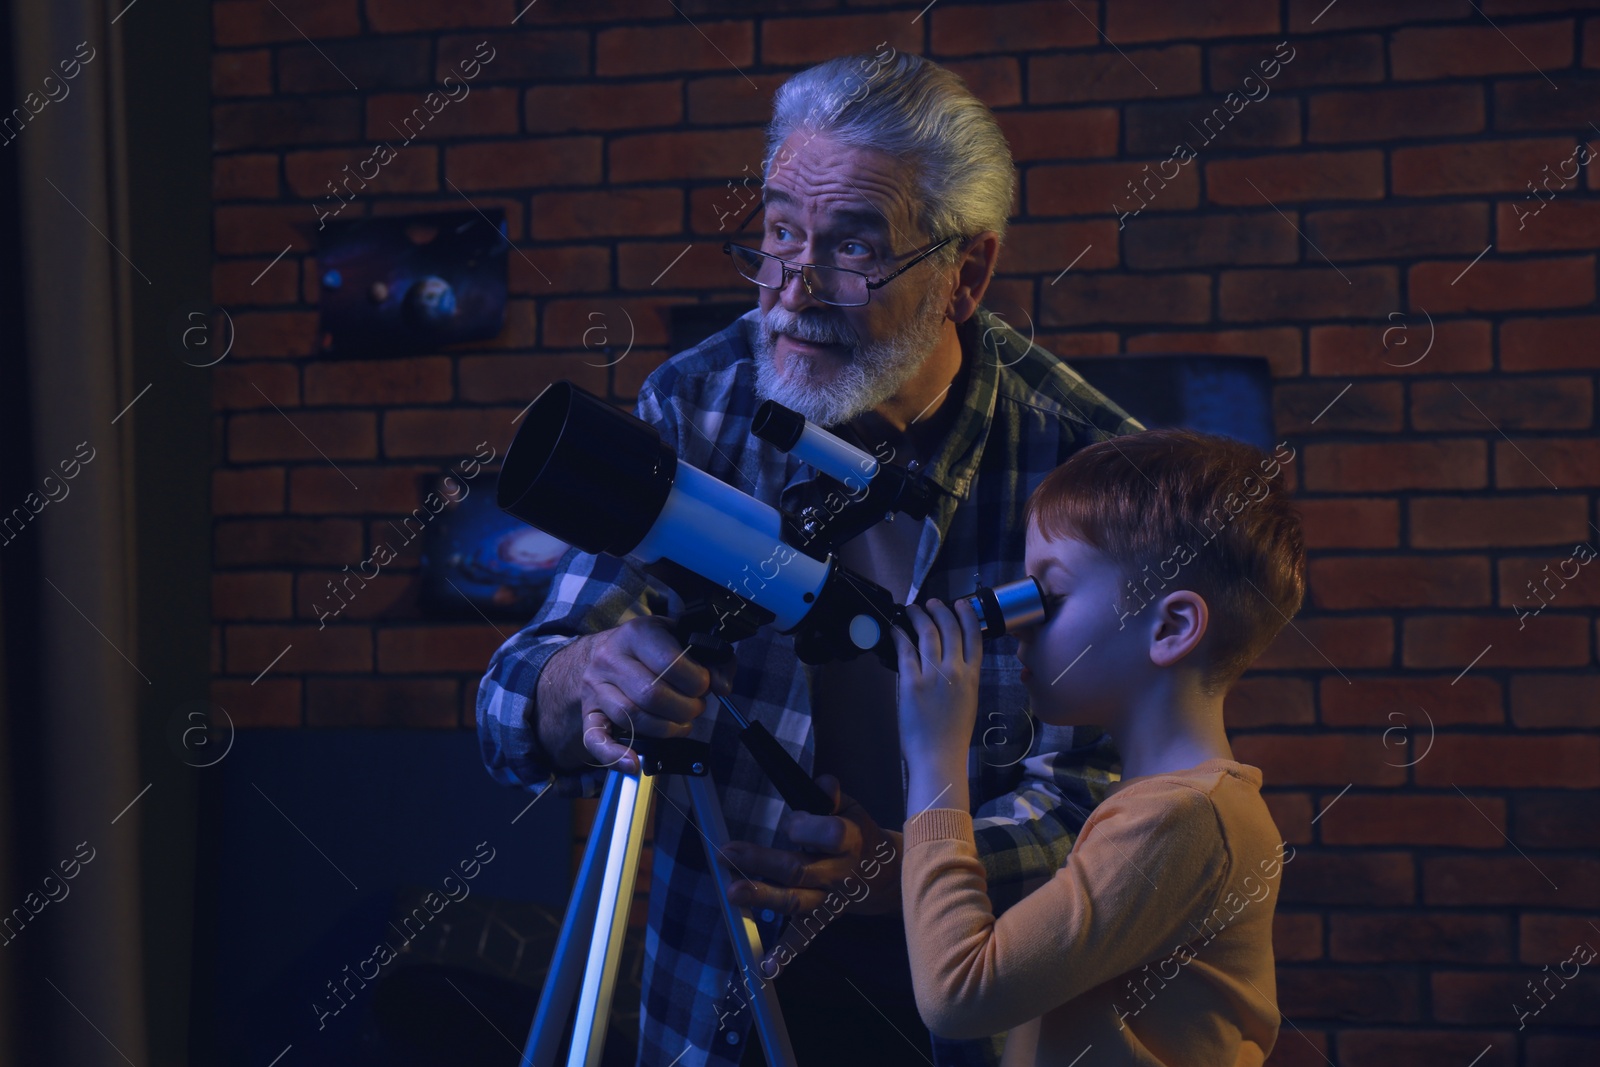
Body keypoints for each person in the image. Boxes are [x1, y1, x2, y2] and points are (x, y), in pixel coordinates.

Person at [476, 50, 1144, 1066]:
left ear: (966, 275)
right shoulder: (698, 400)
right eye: (780, 232)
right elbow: (510, 700)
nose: (791, 290)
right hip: (721, 971)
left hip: (986, 995)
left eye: (852, 249)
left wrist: (905, 867)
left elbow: (1114, 791)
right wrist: (583, 677)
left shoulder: (1089, 467)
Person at [894, 429, 1306, 1066]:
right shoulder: (1172, 805)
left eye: (1048, 596)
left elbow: (958, 995)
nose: (1021, 625)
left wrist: (935, 757)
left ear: (1170, 627)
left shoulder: (1184, 818)